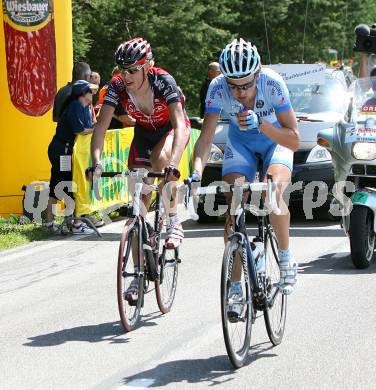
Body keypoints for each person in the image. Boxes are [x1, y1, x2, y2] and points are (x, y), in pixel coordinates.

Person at [191, 38, 300, 315]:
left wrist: (261, 123)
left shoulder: (273, 84)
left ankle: (286, 258)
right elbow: (205, 138)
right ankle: (236, 285)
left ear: (258, 73)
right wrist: (195, 173)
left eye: (246, 85)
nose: (239, 93)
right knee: (234, 207)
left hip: (275, 140)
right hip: (240, 144)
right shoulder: (217, 89)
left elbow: (294, 139)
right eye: (233, 86)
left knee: (272, 194)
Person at [89, 38, 191, 299]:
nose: (127, 76)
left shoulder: (163, 81)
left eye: (133, 70)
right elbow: (101, 126)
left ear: (147, 67)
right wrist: (96, 162)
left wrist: (173, 164)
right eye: (123, 70)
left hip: (171, 131)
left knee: (160, 162)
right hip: (144, 134)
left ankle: (172, 219)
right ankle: (137, 275)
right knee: (138, 207)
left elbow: (180, 125)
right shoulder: (117, 86)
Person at [46, 80, 97, 234]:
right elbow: (80, 130)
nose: (92, 94)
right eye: (90, 91)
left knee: (59, 184)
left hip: (61, 149)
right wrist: (97, 129)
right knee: (67, 185)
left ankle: (53, 223)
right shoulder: (76, 106)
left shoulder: (82, 106)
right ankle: (74, 224)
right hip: (63, 150)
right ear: (82, 93)